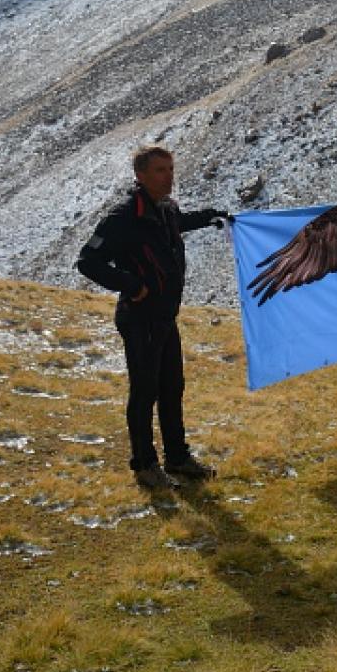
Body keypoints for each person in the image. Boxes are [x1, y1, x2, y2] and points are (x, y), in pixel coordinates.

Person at [76, 145, 228, 490]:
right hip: (139, 317)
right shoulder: (123, 217)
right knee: (144, 392)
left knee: (172, 387)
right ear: (141, 176)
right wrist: (131, 285)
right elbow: (88, 261)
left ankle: (177, 458)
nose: (168, 176)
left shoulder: (166, 210)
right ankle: (145, 465)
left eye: (171, 169)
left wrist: (212, 216)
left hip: (165, 317)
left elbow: (181, 222)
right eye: (160, 170)